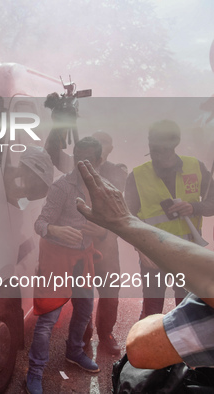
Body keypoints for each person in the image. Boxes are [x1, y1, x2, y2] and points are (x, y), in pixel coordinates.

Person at [76, 159, 214, 369]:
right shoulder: (138, 174)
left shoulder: (196, 167)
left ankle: (177, 366)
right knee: (153, 303)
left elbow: (142, 348)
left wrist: (123, 223)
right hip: (162, 260)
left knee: (179, 305)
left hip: (187, 261)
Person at [26, 137, 105, 394]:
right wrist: (56, 230)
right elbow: (39, 224)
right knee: (48, 319)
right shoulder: (61, 187)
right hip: (56, 260)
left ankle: (74, 351)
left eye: (88, 160)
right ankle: (34, 372)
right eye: (77, 158)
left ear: (99, 161)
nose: (81, 165)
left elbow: (110, 227)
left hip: (84, 259)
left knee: (83, 310)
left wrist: (102, 231)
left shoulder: (103, 189)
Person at [124, 120, 214, 319]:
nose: (156, 151)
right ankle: (143, 348)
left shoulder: (196, 167)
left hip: (189, 252)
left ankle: (183, 349)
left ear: (176, 142)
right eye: (153, 145)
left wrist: (194, 207)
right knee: (152, 308)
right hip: (153, 253)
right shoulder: (137, 176)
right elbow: (126, 219)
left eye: (162, 146)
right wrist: (140, 249)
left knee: (187, 308)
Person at [82, 131, 128, 355]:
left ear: (110, 149)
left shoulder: (116, 172)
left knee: (110, 290)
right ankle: (83, 332)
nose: (102, 146)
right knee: (82, 290)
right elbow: (54, 154)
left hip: (107, 241)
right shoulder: (78, 169)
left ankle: (106, 333)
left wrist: (104, 232)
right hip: (80, 241)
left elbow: (120, 209)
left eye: (106, 142)